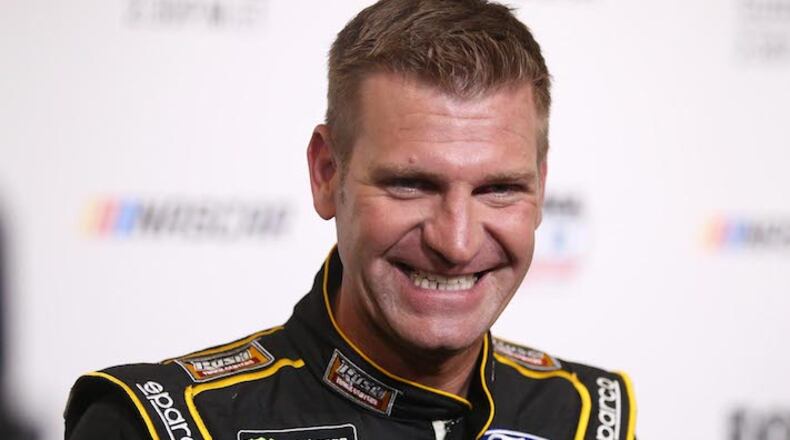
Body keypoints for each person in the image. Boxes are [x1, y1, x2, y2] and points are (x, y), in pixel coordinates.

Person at [65, 1, 637, 439]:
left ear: (541, 186)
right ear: (326, 173)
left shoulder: (589, 414)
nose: (457, 243)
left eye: (499, 189)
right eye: (411, 185)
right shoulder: (162, 422)